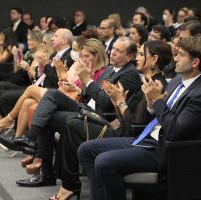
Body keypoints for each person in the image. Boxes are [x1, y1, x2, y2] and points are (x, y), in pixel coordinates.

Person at [77, 36, 201, 200]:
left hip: (164, 150)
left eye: (181, 55)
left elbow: (175, 130)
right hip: (147, 137)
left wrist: (156, 101)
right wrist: (151, 103)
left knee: (104, 162)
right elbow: (160, 113)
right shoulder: (178, 81)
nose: (175, 58)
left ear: (195, 62)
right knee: (85, 150)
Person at [0, 37, 141, 188]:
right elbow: (92, 96)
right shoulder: (112, 70)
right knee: (52, 95)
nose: (112, 52)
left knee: (48, 114)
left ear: (130, 56)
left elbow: (106, 104)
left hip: (102, 120)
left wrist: (87, 80)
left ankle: (42, 165)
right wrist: (78, 88)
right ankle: (31, 140)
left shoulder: (129, 74)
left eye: (119, 51)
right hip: (87, 109)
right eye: (113, 48)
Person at [50, 40, 172, 200]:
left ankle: (64, 182)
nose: (137, 58)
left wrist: (119, 102)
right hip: (123, 128)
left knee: (72, 124)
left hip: (136, 137)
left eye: (141, 54)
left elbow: (135, 125)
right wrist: (118, 102)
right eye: (112, 48)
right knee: (81, 144)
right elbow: (126, 117)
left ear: (154, 60)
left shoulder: (154, 85)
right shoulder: (142, 80)